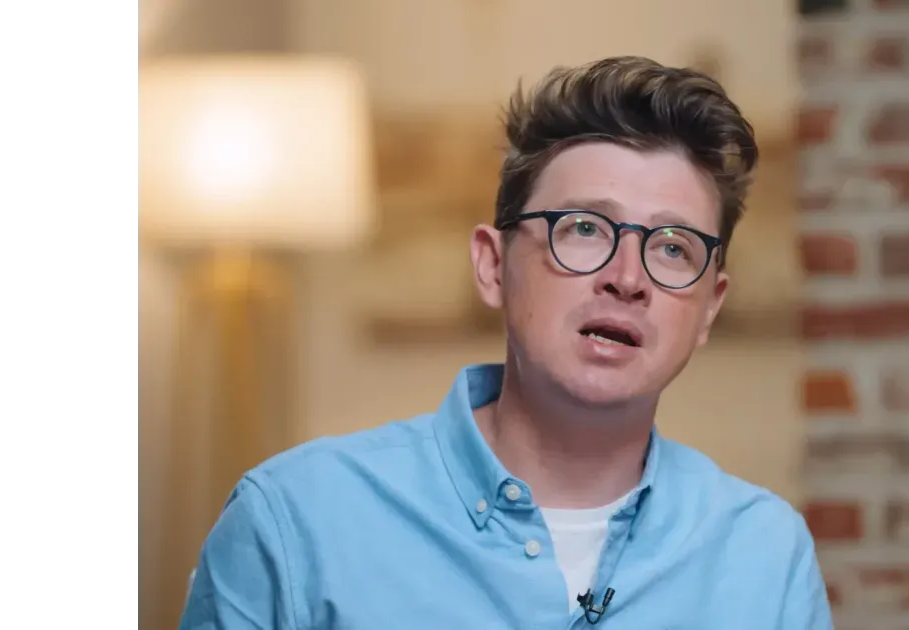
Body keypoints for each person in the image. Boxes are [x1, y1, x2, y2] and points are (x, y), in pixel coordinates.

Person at [180, 55, 833, 630]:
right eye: (584, 228)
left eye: (672, 247)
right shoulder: (297, 520)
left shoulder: (763, 552)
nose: (628, 278)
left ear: (710, 306)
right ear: (493, 266)